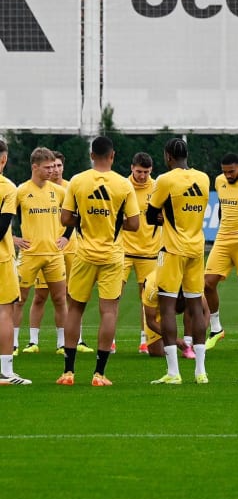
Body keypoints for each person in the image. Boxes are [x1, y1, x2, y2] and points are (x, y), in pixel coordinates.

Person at [57, 135, 140, 386]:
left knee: (75, 309)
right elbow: (135, 224)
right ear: (112, 156)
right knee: (109, 311)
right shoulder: (123, 185)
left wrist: (83, 220)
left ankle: (68, 372)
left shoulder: (77, 181)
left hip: (83, 254)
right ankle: (99, 373)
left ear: (92, 155)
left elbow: (65, 219)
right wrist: (113, 220)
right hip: (112, 255)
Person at [146, 136, 211, 385]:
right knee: (196, 308)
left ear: (167, 157)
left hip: (172, 250)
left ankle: (174, 373)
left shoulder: (165, 180)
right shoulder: (203, 178)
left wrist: (162, 216)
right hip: (197, 249)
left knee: (167, 308)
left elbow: (151, 215)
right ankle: (201, 372)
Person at [12, 147, 70, 355]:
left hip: (54, 255)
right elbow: (5, 214)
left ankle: (62, 344)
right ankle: (14, 344)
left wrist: (66, 236)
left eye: (53, 166)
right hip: (29, 255)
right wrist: (13, 238)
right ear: (35, 167)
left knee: (60, 299)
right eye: (47, 167)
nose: (51, 171)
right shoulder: (20, 191)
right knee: (19, 300)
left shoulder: (60, 191)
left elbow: (75, 214)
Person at [204, 153, 238, 353]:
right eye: (224, 171)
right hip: (223, 239)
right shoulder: (219, 181)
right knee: (207, 283)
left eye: (231, 171)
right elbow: (222, 209)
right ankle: (216, 329)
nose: (227, 175)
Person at [122, 151, 161, 354]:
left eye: (146, 172)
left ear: (151, 170)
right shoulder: (122, 186)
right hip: (123, 251)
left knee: (147, 299)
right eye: (139, 171)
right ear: (132, 168)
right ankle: (109, 340)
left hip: (150, 251)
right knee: (113, 296)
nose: (142, 176)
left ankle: (144, 339)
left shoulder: (157, 187)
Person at [0, 140, 31, 385]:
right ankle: (6, 372)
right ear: (4, 160)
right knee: (4, 312)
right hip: (1, 259)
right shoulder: (7, 187)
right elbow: (2, 228)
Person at [141, 269, 211, 358]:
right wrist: (176, 340)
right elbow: (151, 321)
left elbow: (206, 311)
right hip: (158, 307)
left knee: (194, 305)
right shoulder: (154, 286)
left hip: (182, 302)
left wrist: (198, 339)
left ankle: (188, 343)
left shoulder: (191, 282)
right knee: (157, 352)